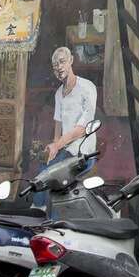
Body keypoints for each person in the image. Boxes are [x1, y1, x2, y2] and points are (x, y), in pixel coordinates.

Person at [34, 46, 97, 212]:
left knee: (56, 178)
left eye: (62, 61)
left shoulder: (87, 88)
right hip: (65, 150)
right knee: (43, 168)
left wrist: (57, 146)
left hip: (82, 153)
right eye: (55, 65)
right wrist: (53, 148)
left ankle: (53, 221)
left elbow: (81, 129)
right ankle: (38, 210)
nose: (59, 67)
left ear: (71, 61)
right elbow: (58, 124)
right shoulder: (58, 93)